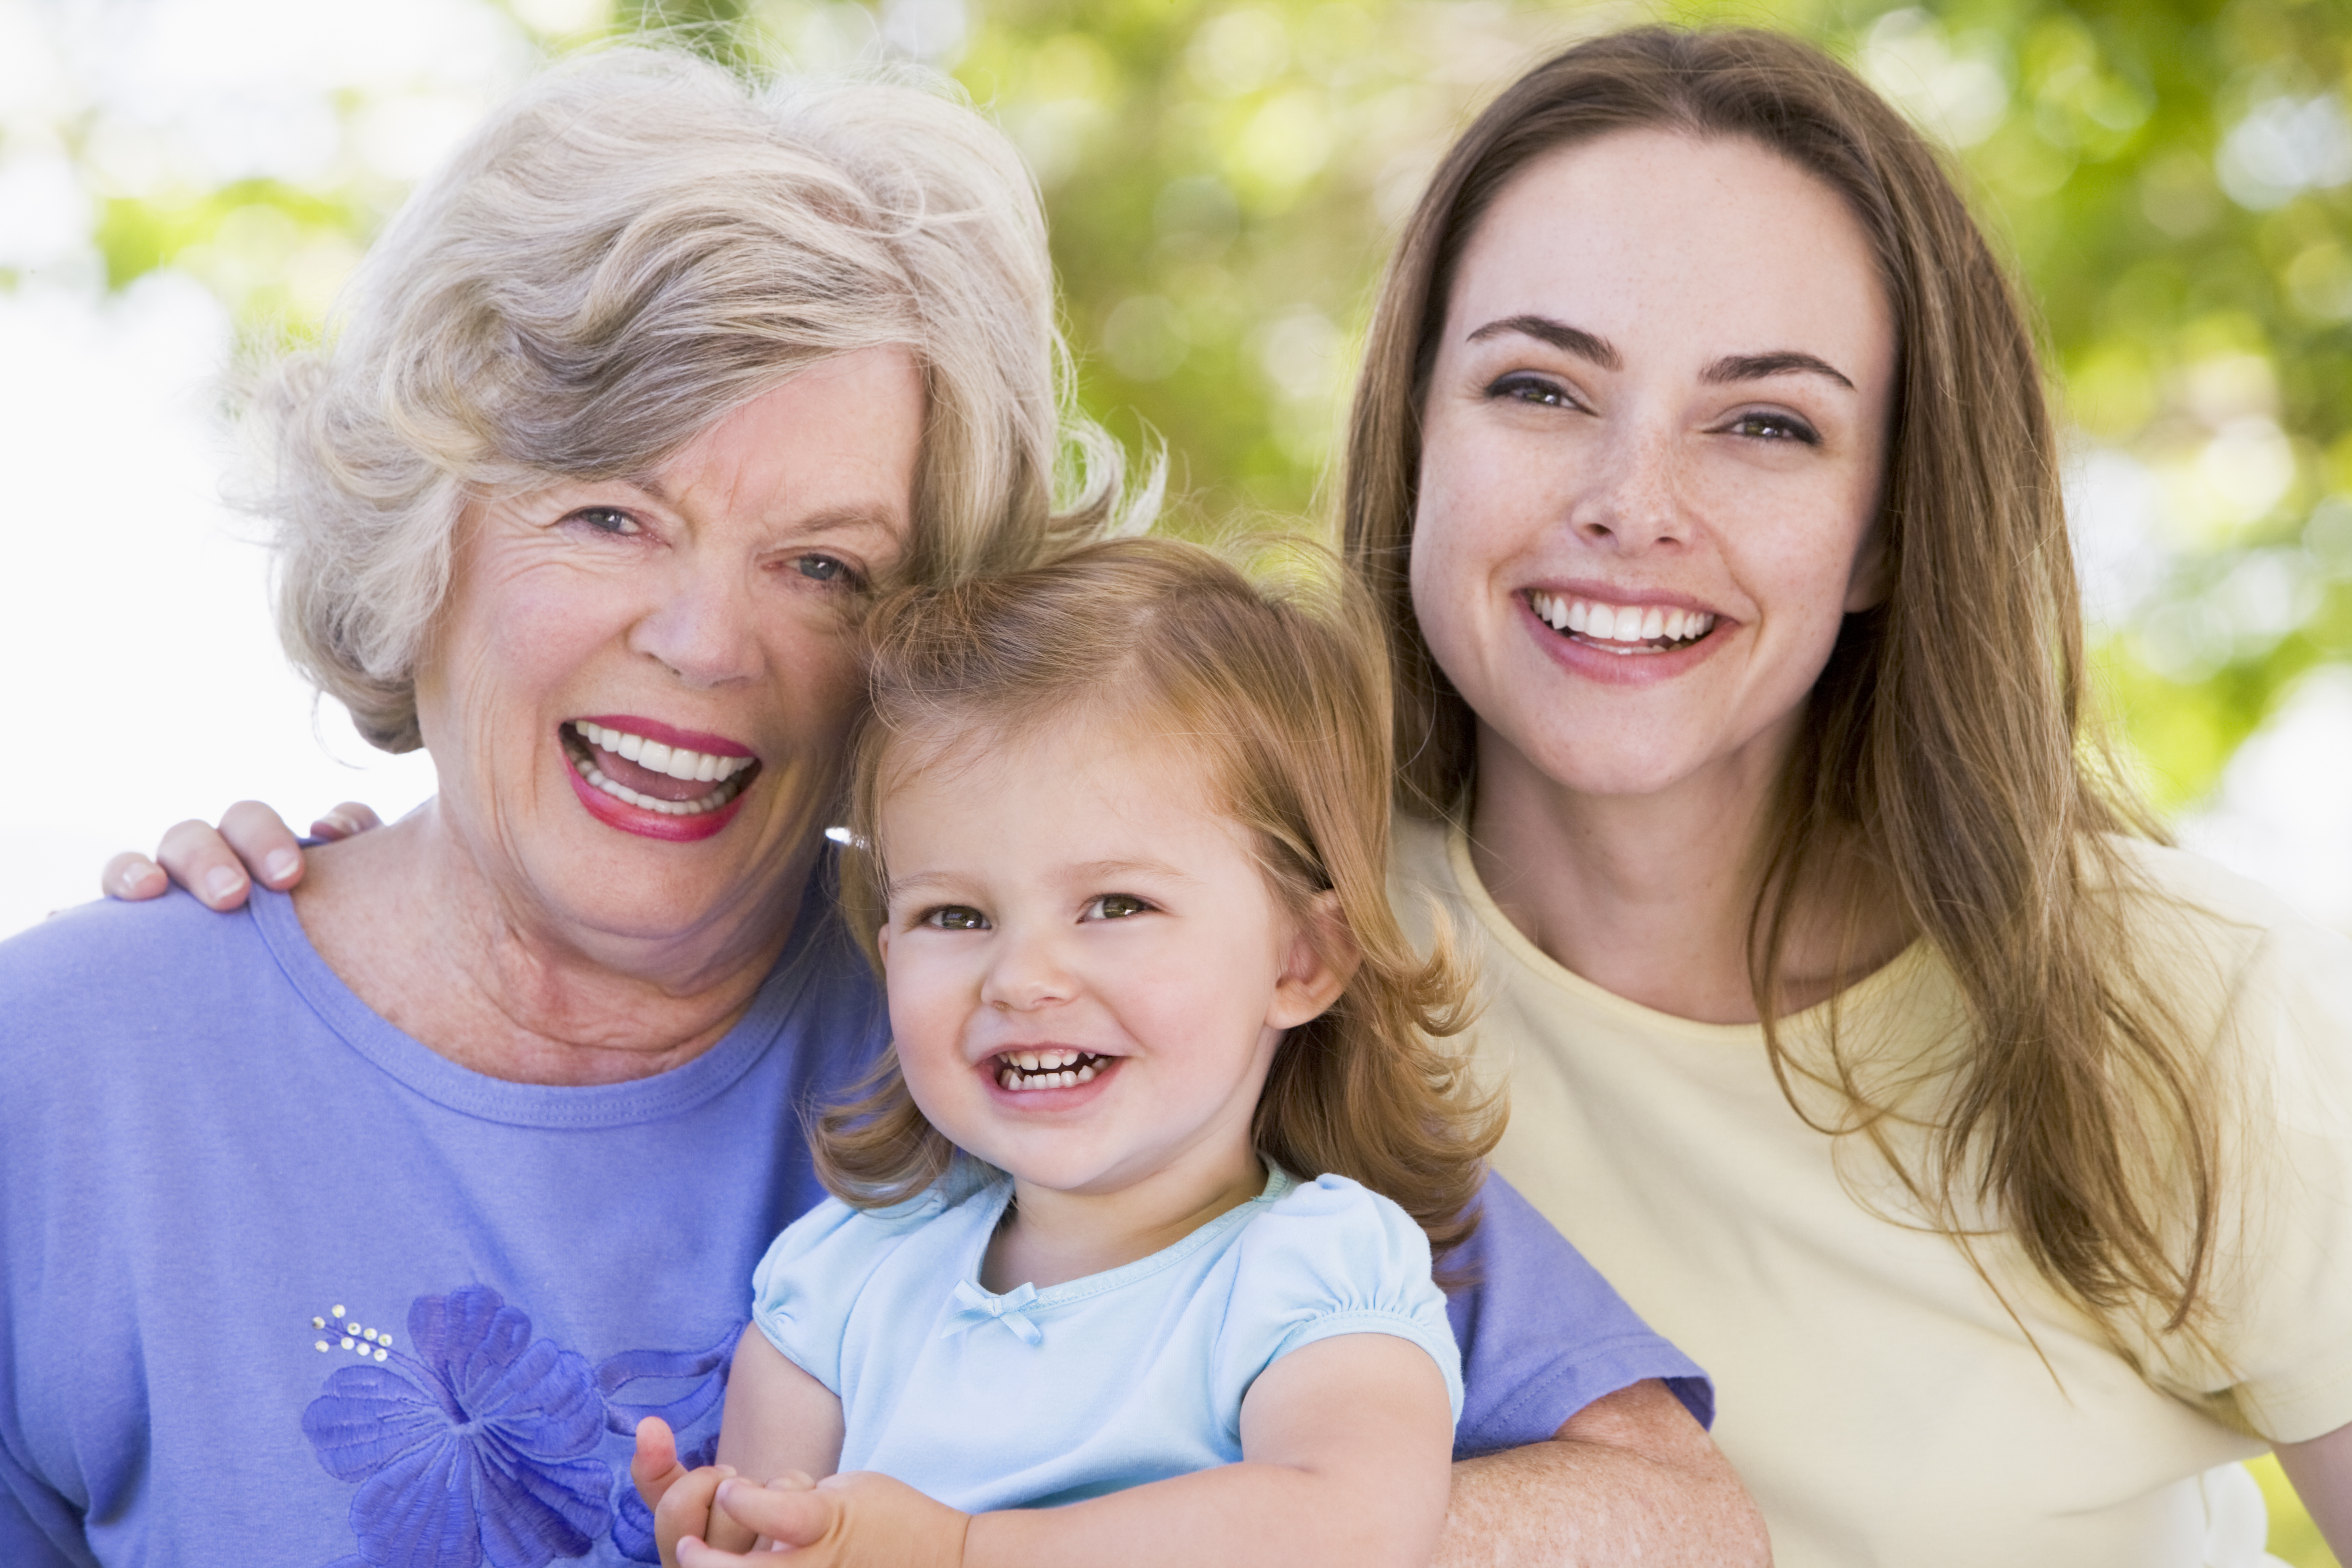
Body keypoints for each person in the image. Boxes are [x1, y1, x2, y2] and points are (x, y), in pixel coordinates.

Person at [19, 39, 1760, 1568]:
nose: (709, 642)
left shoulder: (1055, 1016)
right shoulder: (78, 1071)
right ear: (422, 531)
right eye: (610, 512)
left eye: (826, 564)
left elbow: (1680, 1521)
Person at [1338, 23, 2352, 1568]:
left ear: (1888, 526)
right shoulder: (1256, 945)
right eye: (1539, 387)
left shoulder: (2192, 1010)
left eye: (1764, 422)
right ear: (1420, 440)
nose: (1630, 502)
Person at [633, 538, 1495, 1567]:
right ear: (887, 953)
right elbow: (786, 1529)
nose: (1022, 977)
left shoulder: (1310, 1271)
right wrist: (744, 1533)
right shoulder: (841, 1286)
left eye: (1115, 904)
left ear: (1300, 960)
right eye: (956, 914)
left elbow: (1352, 1527)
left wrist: (961, 1549)